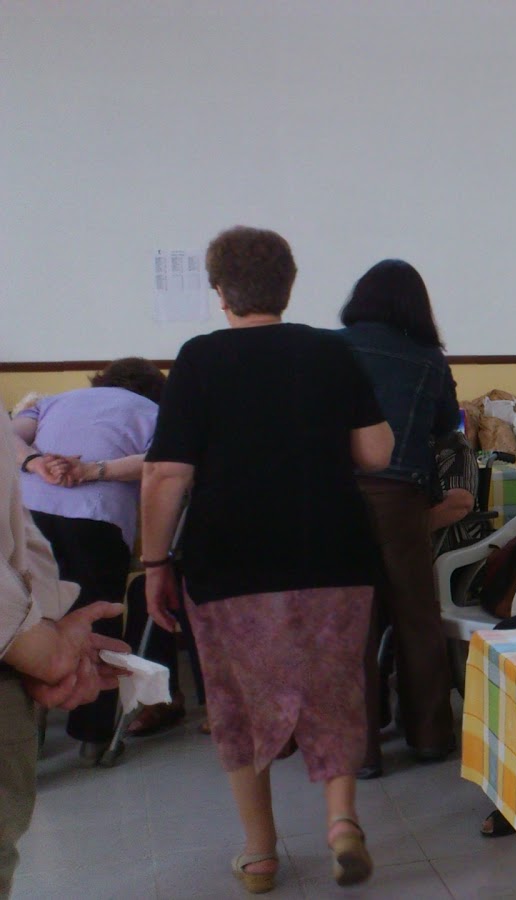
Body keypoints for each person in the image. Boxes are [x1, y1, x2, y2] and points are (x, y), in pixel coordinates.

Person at [141, 226, 395, 891]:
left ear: (220, 292)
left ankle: (259, 852)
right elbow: (376, 453)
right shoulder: (330, 351)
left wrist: (154, 563)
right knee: (335, 687)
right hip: (334, 553)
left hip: (232, 560)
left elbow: (165, 474)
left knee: (235, 699)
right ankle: (341, 821)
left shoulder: (198, 358)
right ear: (288, 285)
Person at [338, 259, 460, 779]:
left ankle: (361, 751)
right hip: (402, 498)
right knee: (417, 617)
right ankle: (430, 736)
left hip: (338, 496)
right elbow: (447, 425)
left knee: (352, 623)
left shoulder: (333, 347)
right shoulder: (428, 358)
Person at [0, 408, 129, 894]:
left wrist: (46, 628)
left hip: (42, 522)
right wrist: (41, 646)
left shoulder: (45, 406)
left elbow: (15, 516)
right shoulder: (147, 406)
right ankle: (92, 735)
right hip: (95, 519)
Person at [12, 357, 163, 762]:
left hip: (28, 516)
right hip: (96, 521)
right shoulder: (154, 412)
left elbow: (9, 436)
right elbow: (160, 461)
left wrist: (36, 463)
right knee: (97, 618)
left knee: (29, 620)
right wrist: (92, 470)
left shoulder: (53, 401)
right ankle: (92, 737)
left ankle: (29, 730)